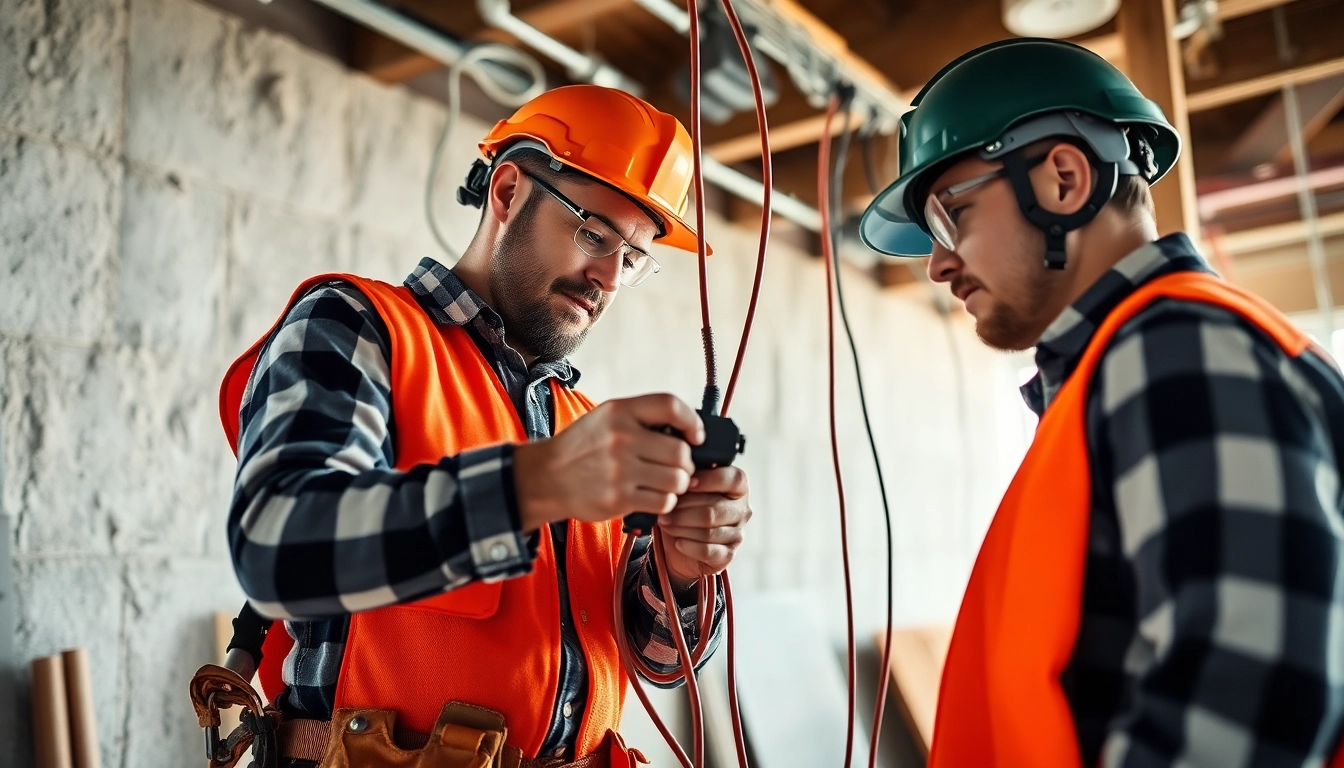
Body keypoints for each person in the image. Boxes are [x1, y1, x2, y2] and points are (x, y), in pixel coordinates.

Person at [220, 84, 752, 768]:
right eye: (596, 234)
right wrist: (535, 484)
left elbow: (660, 664)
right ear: (506, 193)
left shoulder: (578, 424)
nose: (609, 278)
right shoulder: (359, 328)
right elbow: (275, 547)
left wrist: (681, 571)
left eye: (633, 258)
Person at [860, 38, 1344, 767]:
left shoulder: (1176, 349)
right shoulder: (1124, 372)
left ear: (1062, 178)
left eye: (950, 216)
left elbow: (1250, 687)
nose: (936, 263)